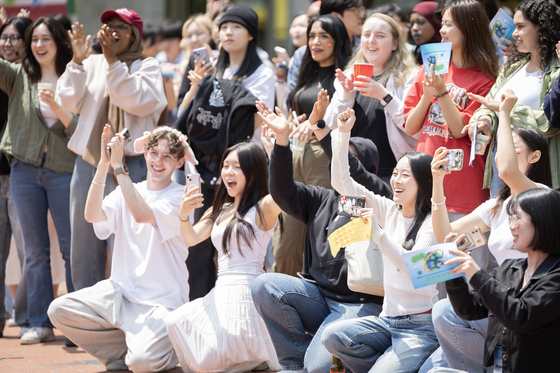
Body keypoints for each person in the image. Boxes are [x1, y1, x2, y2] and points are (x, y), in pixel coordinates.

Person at [252, 98, 390, 373]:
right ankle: (294, 366)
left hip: (361, 305)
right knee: (264, 285)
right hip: (318, 298)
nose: (336, 163)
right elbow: (282, 191)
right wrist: (282, 140)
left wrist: (323, 130)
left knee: (317, 367)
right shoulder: (320, 198)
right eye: (334, 157)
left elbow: (355, 175)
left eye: (345, 157)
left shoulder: (380, 200)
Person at [420, 89, 551, 373]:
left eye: (511, 148)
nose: (501, 156)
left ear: (535, 156)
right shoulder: (497, 205)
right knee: (445, 316)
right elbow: (445, 235)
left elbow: (505, 171)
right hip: (498, 297)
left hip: (534, 308)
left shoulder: (545, 198)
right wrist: (438, 182)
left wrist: (503, 113)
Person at [48, 125, 189, 373]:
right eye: (154, 153)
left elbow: (142, 213)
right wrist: (104, 164)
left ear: (179, 162)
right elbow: (92, 215)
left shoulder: (181, 196)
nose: (158, 161)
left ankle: (167, 348)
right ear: (145, 153)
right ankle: (126, 351)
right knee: (59, 310)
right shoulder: (129, 189)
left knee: (143, 364)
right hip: (120, 294)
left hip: (161, 304)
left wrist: (119, 167)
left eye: (167, 156)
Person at [321, 108, 440, 373]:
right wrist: (342, 133)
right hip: (386, 321)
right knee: (332, 336)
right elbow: (341, 182)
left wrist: (378, 233)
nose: (396, 180)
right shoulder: (388, 209)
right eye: (395, 173)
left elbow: (413, 269)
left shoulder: (434, 223)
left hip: (419, 328)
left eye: (405, 175)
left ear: (423, 182)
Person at [57, 8, 167, 292]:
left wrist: (112, 62)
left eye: (121, 26)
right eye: (108, 25)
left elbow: (132, 99)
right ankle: (84, 317)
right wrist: (77, 62)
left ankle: (125, 314)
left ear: (134, 35)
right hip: (90, 163)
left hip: (133, 166)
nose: (113, 30)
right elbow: (67, 100)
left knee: (128, 242)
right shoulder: (93, 63)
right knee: (82, 241)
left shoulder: (149, 66)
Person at [178, 4, 275, 301]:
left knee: (242, 245)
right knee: (199, 251)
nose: (228, 32)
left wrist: (214, 91)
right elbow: (183, 115)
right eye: (223, 27)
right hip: (207, 166)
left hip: (244, 167)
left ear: (250, 35)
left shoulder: (262, 72)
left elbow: (253, 116)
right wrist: (197, 88)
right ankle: (199, 309)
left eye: (236, 27)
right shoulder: (208, 69)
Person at [166, 142, 282, 373]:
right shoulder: (219, 209)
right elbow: (191, 238)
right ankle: (249, 362)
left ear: (252, 171)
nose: (228, 172)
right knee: (175, 322)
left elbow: (285, 191)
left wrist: (275, 154)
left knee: (216, 358)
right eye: (225, 165)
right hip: (220, 292)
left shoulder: (263, 207)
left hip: (249, 291)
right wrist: (183, 215)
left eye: (236, 167)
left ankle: (251, 360)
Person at [0, 16, 76, 344]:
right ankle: (39, 322)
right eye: (34, 39)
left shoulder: (74, 77)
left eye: (46, 39)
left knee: (73, 249)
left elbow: (80, 130)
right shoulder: (19, 76)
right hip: (24, 169)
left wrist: (58, 106)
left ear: (59, 42)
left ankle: (76, 323)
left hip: (64, 169)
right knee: (34, 251)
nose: (39, 45)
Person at [404, 0, 498, 252]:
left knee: (464, 275)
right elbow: (410, 127)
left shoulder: (487, 79)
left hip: (464, 191)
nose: (441, 30)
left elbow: (460, 130)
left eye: (448, 24)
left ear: (469, 28)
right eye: (442, 23)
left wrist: (442, 91)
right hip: (423, 184)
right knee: (423, 275)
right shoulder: (430, 67)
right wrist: (427, 95)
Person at [434, 187, 560, 373]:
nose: (511, 226)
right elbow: (469, 309)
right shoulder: (510, 268)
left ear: (542, 221)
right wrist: (453, 272)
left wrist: (476, 273)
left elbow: (520, 316)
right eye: (511, 218)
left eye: (517, 218)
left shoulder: (555, 275)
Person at [273, 14, 350, 277]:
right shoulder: (306, 70)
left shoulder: (345, 77)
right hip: (295, 151)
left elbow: (346, 115)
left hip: (324, 156)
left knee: (321, 234)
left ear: (337, 41)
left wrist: (318, 123)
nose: (315, 42)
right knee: (286, 239)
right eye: (312, 36)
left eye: (324, 36)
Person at [469, 0, 560, 192]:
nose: (514, 33)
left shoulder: (556, 71)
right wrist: (484, 119)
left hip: (536, 171)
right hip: (501, 164)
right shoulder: (512, 67)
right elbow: (488, 103)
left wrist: (505, 110)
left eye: (520, 27)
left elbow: (549, 124)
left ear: (542, 29)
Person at [324, 12, 418, 184]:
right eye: (366, 35)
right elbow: (330, 126)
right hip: (351, 174)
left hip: (393, 175)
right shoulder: (349, 76)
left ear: (395, 43)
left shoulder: (410, 78)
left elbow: (414, 128)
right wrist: (346, 95)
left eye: (380, 36)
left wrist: (383, 95)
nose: (371, 40)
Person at [0, 15, 31, 337]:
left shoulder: (30, 78)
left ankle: (24, 317)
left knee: (28, 253)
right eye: (4, 37)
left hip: (22, 175)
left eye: (15, 38)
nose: (9, 43)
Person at [286, 0, 365, 103]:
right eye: (356, 10)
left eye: (324, 36)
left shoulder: (365, 53)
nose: (361, 15)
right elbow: (290, 102)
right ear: (336, 15)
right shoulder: (302, 55)